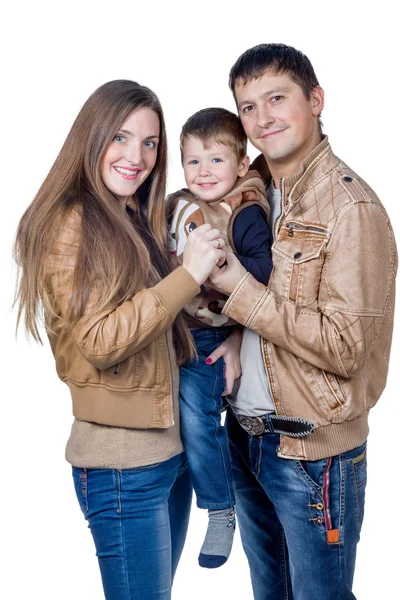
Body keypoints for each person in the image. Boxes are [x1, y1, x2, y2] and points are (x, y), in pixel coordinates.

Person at [13, 79, 239, 600]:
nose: (136, 156)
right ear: (91, 138)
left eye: (150, 143)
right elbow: (99, 339)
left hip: (172, 453)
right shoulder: (72, 222)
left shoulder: (133, 216)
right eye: (121, 137)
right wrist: (187, 274)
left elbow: (165, 323)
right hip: (121, 465)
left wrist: (234, 341)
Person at [207, 43, 398, 599]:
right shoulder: (248, 190)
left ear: (315, 101)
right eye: (247, 107)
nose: (262, 118)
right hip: (246, 442)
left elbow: (346, 346)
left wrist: (239, 293)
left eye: (276, 98)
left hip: (313, 455)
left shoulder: (349, 209)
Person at [167, 107, 273, 568]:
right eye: (193, 161)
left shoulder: (244, 211)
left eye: (215, 161)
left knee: (197, 419)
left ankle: (218, 507)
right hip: (173, 327)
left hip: (210, 338)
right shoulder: (182, 202)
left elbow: (267, 276)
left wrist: (225, 267)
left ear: (241, 165)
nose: (203, 172)